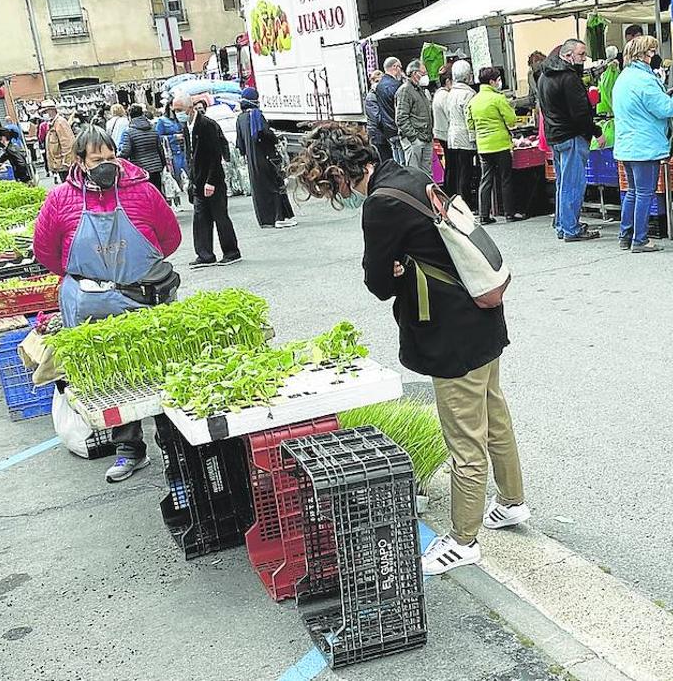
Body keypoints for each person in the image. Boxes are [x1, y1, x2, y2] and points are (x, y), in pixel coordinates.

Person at [289, 122, 527, 576]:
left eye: (326, 185)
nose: (331, 196)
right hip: (481, 313)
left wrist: (398, 269)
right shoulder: (410, 175)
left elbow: (377, 283)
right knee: (494, 417)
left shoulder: (380, 205)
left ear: (337, 173)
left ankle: (463, 539)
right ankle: (512, 502)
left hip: (449, 332)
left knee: (464, 439)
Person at [33, 126, 181, 482]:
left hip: (140, 295)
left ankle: (175, 448)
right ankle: (129, 449)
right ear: (80, 162)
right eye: (98, 159)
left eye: (111, 157)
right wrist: (90, 279)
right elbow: (45, 251)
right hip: (89, 304)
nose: (107, 164)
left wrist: (132, 270)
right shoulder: (61, 199)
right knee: (111, 376)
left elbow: (170, 238)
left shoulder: (142, 191)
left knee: (159, 369)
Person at [612, 36, 673, 254]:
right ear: (643, 55)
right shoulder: (645, 80)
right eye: (651, 52)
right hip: (645, 145)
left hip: (627, 145)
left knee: (632, 192)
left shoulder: (623, 78)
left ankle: (625, 235)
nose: (654, 56)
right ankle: (640, 240)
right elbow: (665, 109)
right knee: (644, 193)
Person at [537, 40, 604, 242]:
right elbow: (581, 113)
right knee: (573, 184)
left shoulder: (544, 76)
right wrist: (596, 131)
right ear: (567, 55)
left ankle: (562, 224)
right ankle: (571, 228)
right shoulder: (569, 78)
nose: (584, 59)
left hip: (555, 136)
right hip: (571, 135)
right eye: (581, 54)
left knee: (563, 183)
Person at [174, 93, 241, 267]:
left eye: (179, 110)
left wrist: (211, 180)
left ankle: (231, 252)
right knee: (200, 217)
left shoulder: (206, 125)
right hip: (197, 180)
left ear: (190, 108)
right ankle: (205, 254)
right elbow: (190, 154)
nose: (177, 113)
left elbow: (214, 155)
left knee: (220, 217)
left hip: (212, 179)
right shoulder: (187, 126)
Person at [237, 87, 296, 229]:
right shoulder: (256, 115)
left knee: (259, 190)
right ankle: (279, 217)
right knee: (274, 185)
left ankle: (266, 220)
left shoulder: (240, 118)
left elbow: (240, 144)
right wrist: (275, 138)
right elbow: (266, 134)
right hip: (266, 157)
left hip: (252, 161)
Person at [466, 66, 520, 224]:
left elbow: (469, 123)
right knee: (505, 179)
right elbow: (511, 120)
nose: (499, 82)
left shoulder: (473, 100)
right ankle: (509, 213)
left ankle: (484, 215)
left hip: (483, 146)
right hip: (500, 144)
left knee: (486, 180)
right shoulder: (498, 98)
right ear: (491, 82)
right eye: (497, 80)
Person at [442, 61, 477, 205]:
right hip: (465, 136)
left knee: (456, 169)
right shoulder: (469, 94)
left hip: (452, 135)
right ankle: (466, 202)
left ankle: (457, 201)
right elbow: (470, 117)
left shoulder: (450, 93)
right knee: (466, 170)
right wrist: (473, 137)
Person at [117, 104, 166, 194]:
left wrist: (116, 157)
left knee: (146, 195)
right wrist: (163, 164)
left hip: (140, 169)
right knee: (157, 193)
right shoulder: (153, 129)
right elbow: (160, 148)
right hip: (156, 168)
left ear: (129, 116)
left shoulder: (129, 132)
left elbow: (126, 151)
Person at [395, 59, 434, 173]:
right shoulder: (405, 90)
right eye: (423, 73)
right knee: (414, 172)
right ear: (414, 73)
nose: (425, 76)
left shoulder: (420, 90)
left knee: (427, 172)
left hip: (425, 137)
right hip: (415, 139)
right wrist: (413, 137)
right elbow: (401, 118)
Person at [155, 103, 187, 207]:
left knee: (186, 176)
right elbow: (158, 137)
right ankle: (176, 203)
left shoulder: (181, 120)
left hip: (183, 151)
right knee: (173, 178)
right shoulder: (162, 121)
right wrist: (173, 137)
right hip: (171, 153)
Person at [376, 57, 405, 163]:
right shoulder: (397, 85)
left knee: (396, 154)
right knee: (404, 157)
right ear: (394, 67)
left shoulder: (379, 86)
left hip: (387, 128)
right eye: (400, 68)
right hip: (398, 127)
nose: (401, 71)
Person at [41, 99, 78, 178]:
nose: (44, 114)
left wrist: (67, 163)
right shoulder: (52, 124)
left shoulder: (60, 123)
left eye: (45, 112)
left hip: (65, 166)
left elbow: (68, 144)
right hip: (60, 165)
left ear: (52, 110)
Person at [364, 70, 390, 162]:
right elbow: (376, 118)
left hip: (384, 133)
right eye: (376, 81)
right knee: (384, 159)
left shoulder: (381, 94)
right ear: (372, 82)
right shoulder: (371, 97)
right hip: (377, 135)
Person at [432, 69, 453, 159]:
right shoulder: (445, 95)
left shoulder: (438, 93)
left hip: (441, 132)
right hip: (446, 133)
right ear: (448, 81)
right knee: (451, 162)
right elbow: (450, 114)